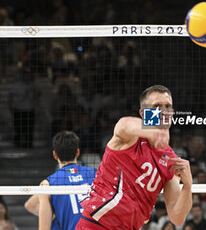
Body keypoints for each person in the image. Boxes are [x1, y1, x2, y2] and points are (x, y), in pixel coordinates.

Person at [76, 85, 193, 229]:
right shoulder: (130, 137)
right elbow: (124, 125)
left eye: (168, 106)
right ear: (143, 114)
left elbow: (177, 217)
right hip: (97, 224)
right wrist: (153, 131)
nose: (163, 111)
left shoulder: (171, 161)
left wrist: (187, 186)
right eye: (156, 106)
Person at [24, 131, 96, 230]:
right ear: (77, 152)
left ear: (55, 155)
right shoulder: (96, 175)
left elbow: (43, 226)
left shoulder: (48, 184)